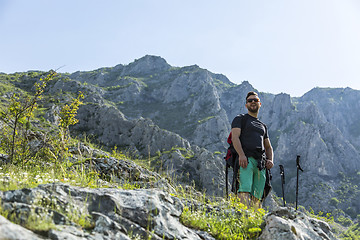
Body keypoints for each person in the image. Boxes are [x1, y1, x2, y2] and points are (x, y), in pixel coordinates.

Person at [231, 91, 274, 208]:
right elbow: (235, 137)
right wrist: (241, 155)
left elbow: (268, 147)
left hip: (261, 163)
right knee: (244, 189)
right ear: (246, 105)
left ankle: (254, 221)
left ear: (260, 104)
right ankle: (243, 218)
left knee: (257, 196)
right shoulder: (240, 119)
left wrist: (270, 160)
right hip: (246, 160)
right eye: (250, 101)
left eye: (255, 100)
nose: (253, 102)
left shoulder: (263, 126)